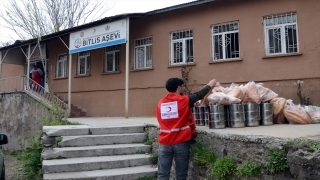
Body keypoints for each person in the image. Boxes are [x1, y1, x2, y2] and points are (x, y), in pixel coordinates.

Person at [156, 78, 217, 180]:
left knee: (162, 175)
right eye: (182, 86)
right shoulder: (183, 100)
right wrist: (210, 85)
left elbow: (175, 112)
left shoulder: (161, 102)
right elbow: (199, 95)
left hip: (164, 144)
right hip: (181, 142)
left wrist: (191, 105)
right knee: (181, 175)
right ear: (179, 87)